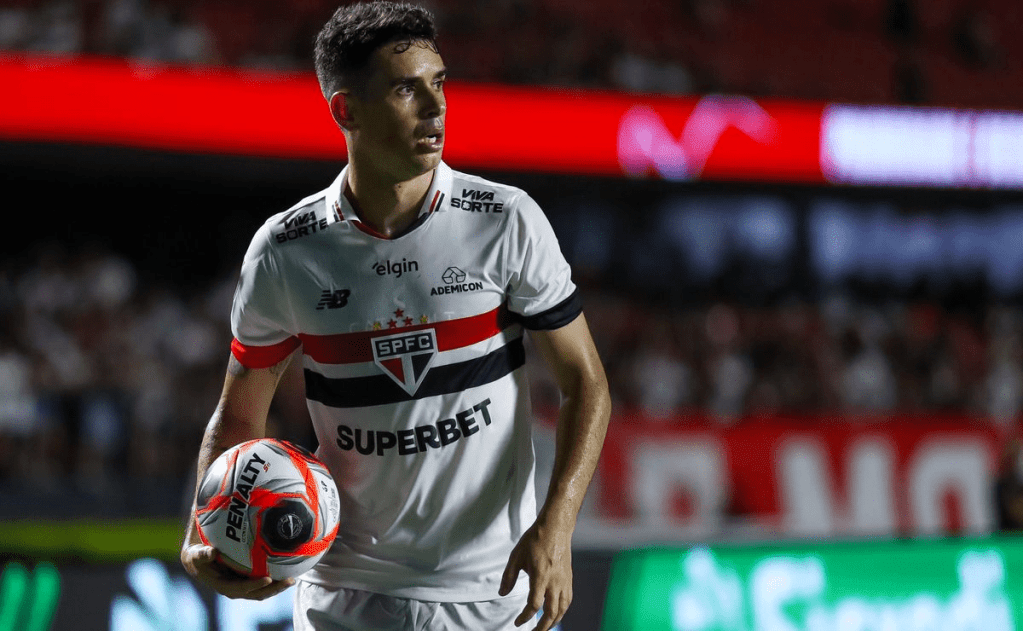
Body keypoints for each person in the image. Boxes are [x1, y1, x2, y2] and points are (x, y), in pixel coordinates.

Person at [179, 3, 611, 631]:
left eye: (439, 83)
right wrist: (207, 532)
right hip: (344, 596)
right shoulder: (286, 251)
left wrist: (558, 525)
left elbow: (586, 383)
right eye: (407, 88)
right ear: (345, 110)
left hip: (495, 595)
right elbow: (240, 415)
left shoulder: (506, 220)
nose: (435, 108)